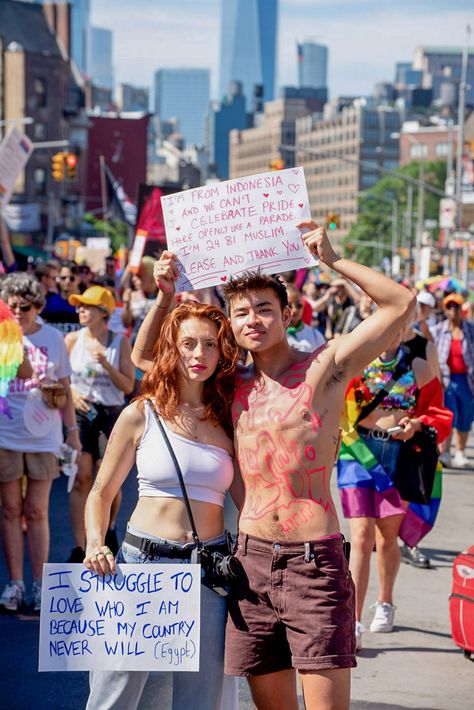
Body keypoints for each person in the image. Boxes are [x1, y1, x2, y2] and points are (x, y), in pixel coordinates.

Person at [131, 223, 415, 710]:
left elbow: (399, 303)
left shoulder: (326, 367)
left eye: (265, 309)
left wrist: (332, 260)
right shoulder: (228, 385)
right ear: (231, 324)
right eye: (241, 312)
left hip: (313, 564)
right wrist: (165, 296)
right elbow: (143, 358)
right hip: (251, 564)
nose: (253, 320)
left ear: (288, 313)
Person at [83, 301, 242, 710]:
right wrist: (95, 543)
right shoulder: (142, 412)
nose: (199, 354)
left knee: (202, 700)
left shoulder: (229, 421)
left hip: (208, 572)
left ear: (223, 352)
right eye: (188, 343)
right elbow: (101, 492)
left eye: (210, 344)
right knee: (112, 695)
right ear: (172, 347)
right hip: (139, 568)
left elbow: (250, 501)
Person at [337, 327, 452, 651]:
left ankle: (385, 601)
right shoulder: (357, 362)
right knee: (360, 537)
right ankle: (354, 621)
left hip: (400, 458)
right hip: (357, 454)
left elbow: (438, 413)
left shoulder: (419, 367)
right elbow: (336, 406)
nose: (394, 329)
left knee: (388, 538)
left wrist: (416, 424)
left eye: (401, 322)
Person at [0, 273, 81, 612]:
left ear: (38, 306)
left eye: (25, 307)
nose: (18, 312)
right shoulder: (3, 336)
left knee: (37, 510)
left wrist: (73, 430)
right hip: (5, 434)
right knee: (9, 511)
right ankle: (15, 584)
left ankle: (40, 585)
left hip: (43, 435)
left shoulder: (51, 338)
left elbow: (65, 387)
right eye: (12, 306)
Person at [64, 286, 134, 562]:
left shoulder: (119, 342)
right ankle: (80, 545)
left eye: (86, 306)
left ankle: (108, 528)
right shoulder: (72, 340)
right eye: (79, 306)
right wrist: (71, 393)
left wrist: (106, 363)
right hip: (82, 413)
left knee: (107, 481)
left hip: (111, 414)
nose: (80, 310)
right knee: (81, 479)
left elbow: (128, 385)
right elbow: (61, 377)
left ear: (103, 313)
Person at [433, 293, 474, 468]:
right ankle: (446, 452)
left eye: (456, 307)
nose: (452, 311)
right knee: (448, 416)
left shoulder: (470, 330)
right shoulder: (439, 330)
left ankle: (460, 452)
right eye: (449, 307)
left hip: (467, 379)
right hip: (447, 380)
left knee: (465, 416)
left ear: (461, 310)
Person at [286, 284, 326, 353]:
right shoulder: (273, 335)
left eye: (299, 305)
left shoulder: (315, 336)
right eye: (289, 306)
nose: (295, 310)